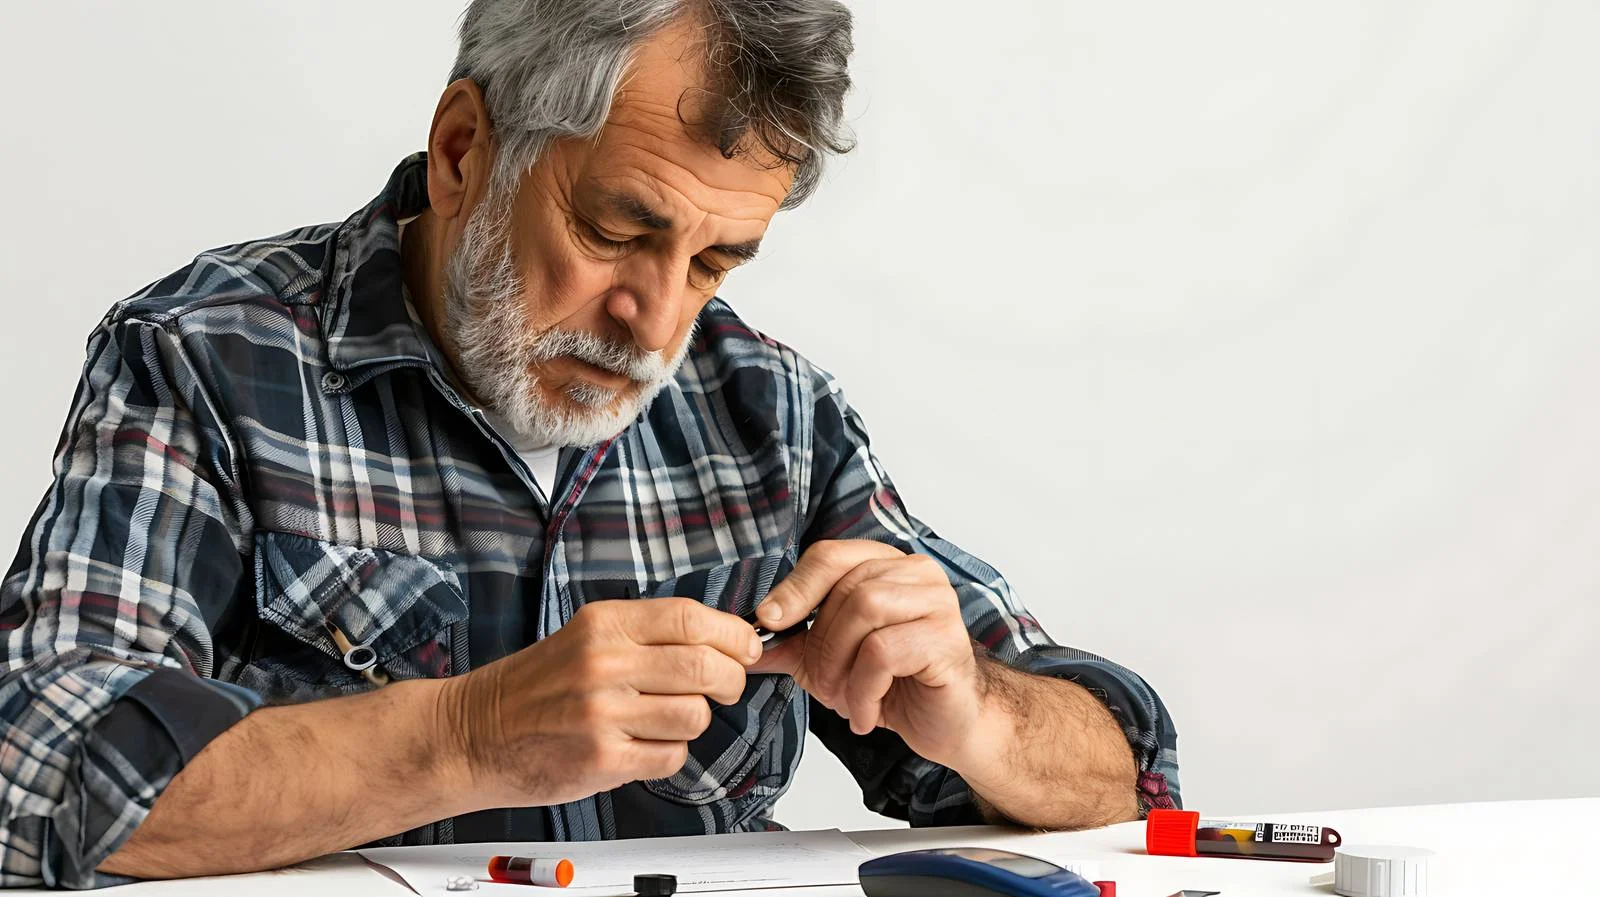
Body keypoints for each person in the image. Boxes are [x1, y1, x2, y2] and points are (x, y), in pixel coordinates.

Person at [0, 0, 1179, 888]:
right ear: (465, 149)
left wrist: (972, 706)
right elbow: (36, 772)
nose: (659, 318)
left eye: (714, 262)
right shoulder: (208, 358)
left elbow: (1126, 774)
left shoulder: (770, 409)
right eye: (618, 229)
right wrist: (470, 734)